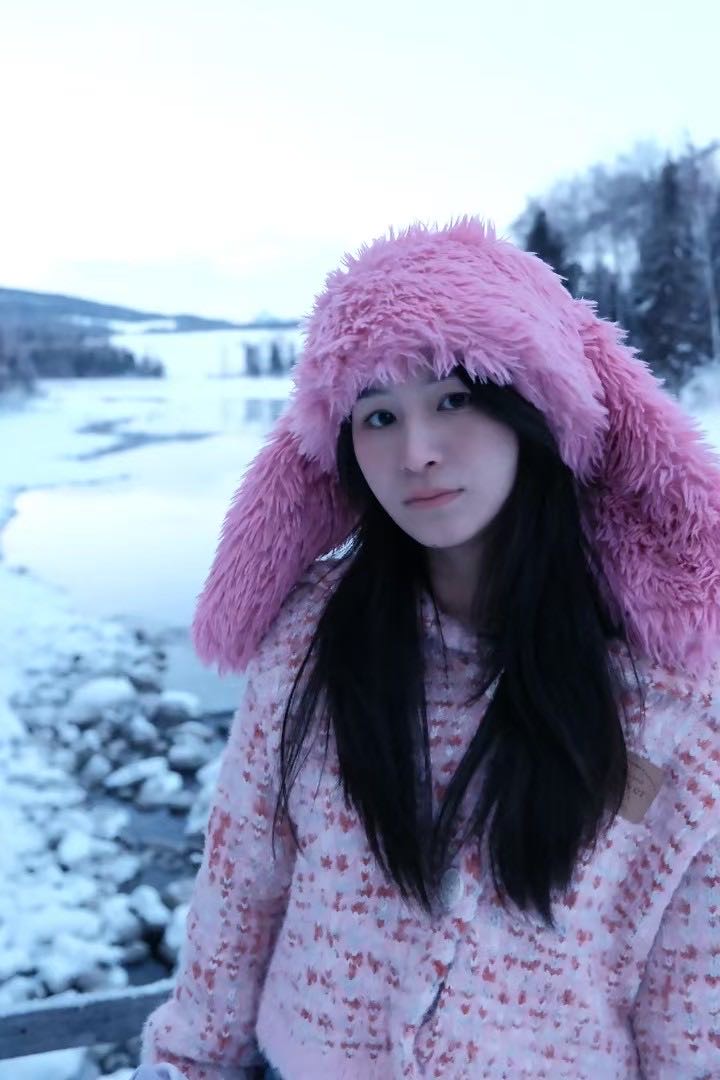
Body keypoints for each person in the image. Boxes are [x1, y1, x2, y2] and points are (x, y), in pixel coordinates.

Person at [131, 218, 720, 1079]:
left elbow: (693, 1003)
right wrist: (184, 1063)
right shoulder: (310, 639)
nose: (415, 453)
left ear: (535, 410)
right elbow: (238, 892)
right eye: (378, 415)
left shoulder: (670, 697)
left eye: (452, 400)